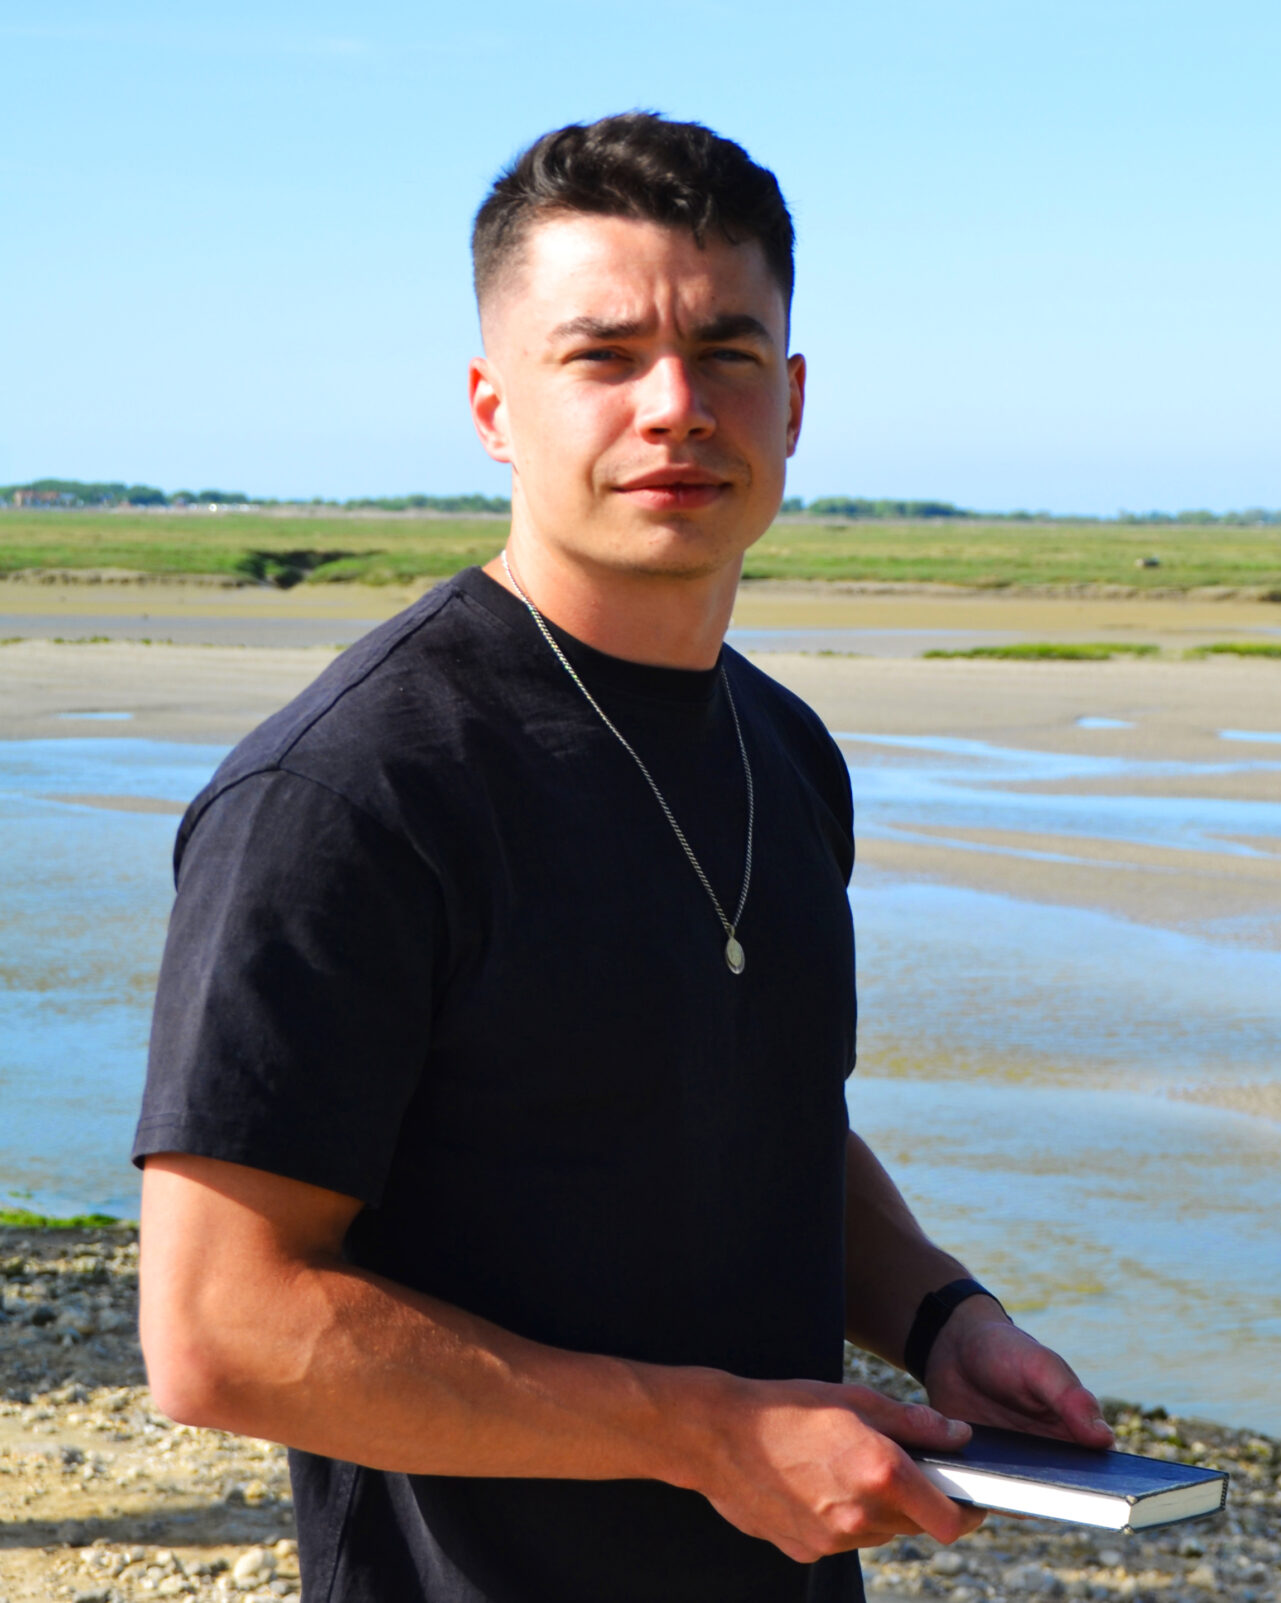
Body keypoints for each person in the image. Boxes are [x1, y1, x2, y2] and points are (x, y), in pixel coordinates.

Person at [131, 112, 1112, 1603]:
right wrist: (707, 1434)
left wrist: (938, 1320)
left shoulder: (781, 752)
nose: (676, 407)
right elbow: (221, 1330)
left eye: (726, 353)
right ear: (492, 407)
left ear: (790, 399)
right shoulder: (349, 790)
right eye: (602, 356)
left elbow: (764, 1124)